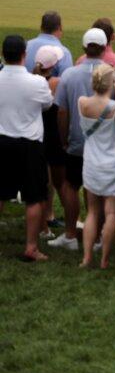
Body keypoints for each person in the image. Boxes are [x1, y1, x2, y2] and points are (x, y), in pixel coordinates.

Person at [49, 27, 113, 252]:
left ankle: (70, 234)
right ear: (104, 48)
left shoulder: (70, 74)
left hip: (76, 141)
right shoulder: (112, 74)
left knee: (70, 185)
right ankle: (95, 237)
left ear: (84, 48)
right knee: (96, 188)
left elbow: (62, 112)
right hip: (102, 144)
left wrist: (64, 138)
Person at [0, 34, 54, 262]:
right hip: (29, 144)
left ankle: (31, 247)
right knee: (34, 196)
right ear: (24, 54)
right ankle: (31, 247)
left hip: (3, 140)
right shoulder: (37, 82)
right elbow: (47, 104)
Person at [77, 64, 115, 269]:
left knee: (91, 211)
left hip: (92, 162)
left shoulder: (82, 102)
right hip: (113, 164)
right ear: (112, 83)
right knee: (111, 213)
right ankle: (104, 259)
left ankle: (87, 257)